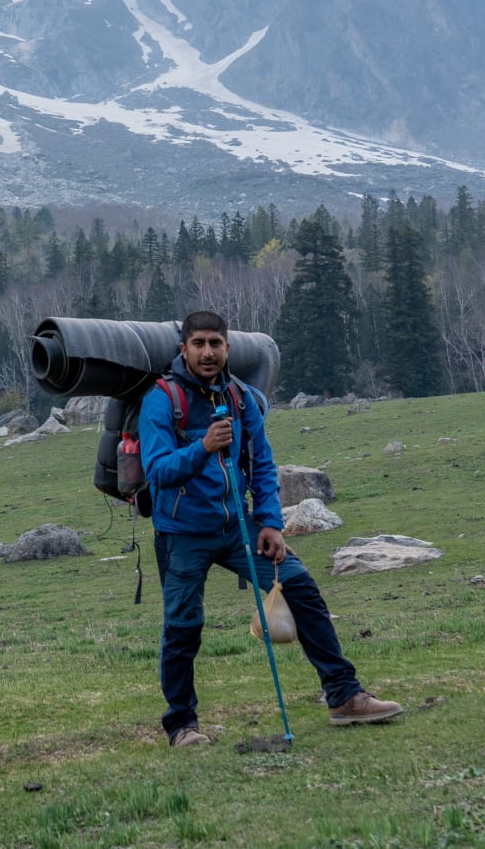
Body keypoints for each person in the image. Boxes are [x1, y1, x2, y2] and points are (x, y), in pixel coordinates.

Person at [139, 311, 402, 746]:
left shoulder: (240, 397)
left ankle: (344, 696)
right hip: (181, 535)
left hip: (238, 529)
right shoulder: (162, 399)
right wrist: (203, 448)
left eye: (216, 344)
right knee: (183, 627)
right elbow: (158, 470)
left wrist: (270, 522)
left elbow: (262, 465)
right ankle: (181, 725)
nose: (208, 352)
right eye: (199, 343)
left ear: (227, 348)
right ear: (183, 349)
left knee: (302, 590)